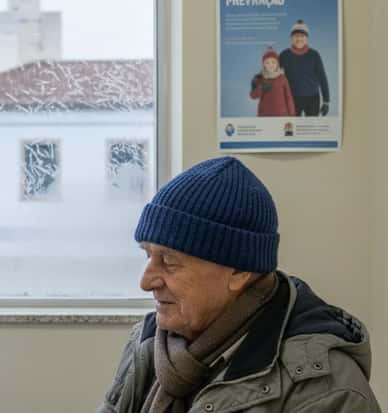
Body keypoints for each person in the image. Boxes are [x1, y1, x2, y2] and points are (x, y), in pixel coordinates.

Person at [97, 157, 381, 413]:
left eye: (169, 261)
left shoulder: (323, 391)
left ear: (239, 272)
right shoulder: (146, 343)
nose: (146, 281)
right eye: (148, 255)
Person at [279, 19, 331, 116]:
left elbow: (322, 78)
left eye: (302, 36)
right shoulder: (284, 55)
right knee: (292, 128)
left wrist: (326, 101)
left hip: (312, 99)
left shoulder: (314, 55)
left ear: (306, 38)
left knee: (310, 129)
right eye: (296, 36)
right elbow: (273, 72)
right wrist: (259, 79)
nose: (299, 39)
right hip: (292, 98)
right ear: (291, 38)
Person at [250, 46, 295, 116]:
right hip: (264, 115)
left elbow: (288, 97)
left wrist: (292, 114)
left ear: (277, 64)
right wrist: (261, 88)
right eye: (267, 63)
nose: (271, 65)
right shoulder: (260, 78)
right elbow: (253, 95)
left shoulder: (283, 78)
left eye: (273, 62)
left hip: (281, 115)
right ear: (264, 65)